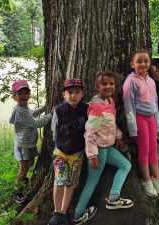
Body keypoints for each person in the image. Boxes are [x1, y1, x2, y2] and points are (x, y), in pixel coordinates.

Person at [73, 71, 133, 225]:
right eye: (104, 84)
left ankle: (114, 197)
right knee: (92, 181)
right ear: (96, 87)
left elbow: (111, 123)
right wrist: (92, 155)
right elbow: (90, 133)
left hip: (107, 147)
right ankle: (78, 214)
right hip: (98, 149)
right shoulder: (96, 107)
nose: (108, 86)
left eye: (111, 84)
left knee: (126, 164)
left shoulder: (110, 102)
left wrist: (118, 136)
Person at [123, 50, 159, 197]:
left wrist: (157, 123)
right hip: (139, 118)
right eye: (139, 61)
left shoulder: (151, 81)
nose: (143, 64)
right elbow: (128, 105)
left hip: (151, 119)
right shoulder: (131, 82)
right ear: (132, 64)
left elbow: (155, 103)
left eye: (146, 61)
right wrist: (132, 127)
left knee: (153, 148)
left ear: (150, 63)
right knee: (144, 149)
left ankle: (156, 178)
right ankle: (146, 179)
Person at [47, 78, 88, 225]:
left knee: (71, 183)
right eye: (69, 92)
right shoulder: (59, 110)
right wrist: (59, 144)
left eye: (77, 92)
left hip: (77, 154)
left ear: (82, 94)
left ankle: (64, 213)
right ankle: (56, 212)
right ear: (64, 94)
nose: (73, 96)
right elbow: (54, 129)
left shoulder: (86, 109)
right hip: (61, 152)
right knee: (59, 181)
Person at [9, 80, 53, 204]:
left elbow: (32, 114)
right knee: (23, 168)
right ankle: (18, 192)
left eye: (25, 93)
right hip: (23, 144)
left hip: (28, 143)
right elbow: (36, 123)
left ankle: (22, 179)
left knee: (31, 162)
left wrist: (43, 109)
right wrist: (50, 115)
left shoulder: (24, 108)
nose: (23, 96)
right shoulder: (20, 111)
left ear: (29, 94)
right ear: (14, 96)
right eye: (19, 93)